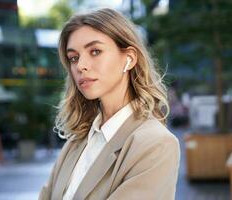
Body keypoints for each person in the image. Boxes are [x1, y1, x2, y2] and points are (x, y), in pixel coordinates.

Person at [39, 8, 180, 200]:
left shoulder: (156, 144)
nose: (80, 66)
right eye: (74, 58)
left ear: (129, 58)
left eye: (95, 51)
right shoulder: (76, 142)